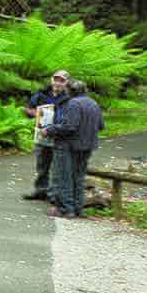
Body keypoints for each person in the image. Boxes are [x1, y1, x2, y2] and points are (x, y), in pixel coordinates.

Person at [46, 78, 104, 219]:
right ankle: (78, 209)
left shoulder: (73, 103)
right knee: (78, 177)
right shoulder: (93, 103)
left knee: (64, 177)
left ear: (70, 91)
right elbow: (101, 126)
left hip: (68, 146)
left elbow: (69, 127)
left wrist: (50, 130)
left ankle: (67, 209)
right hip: (87, 146)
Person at [23, 70, 70, 200]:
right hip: (42, 134)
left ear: (67, 83)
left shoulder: (70, 98)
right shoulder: (41, 94)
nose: (58, 83)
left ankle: (54, 194)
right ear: (51, 80)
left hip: (59, 135)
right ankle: (40, 190)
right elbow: (28, 109)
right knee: (42, 164)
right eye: (56, 79)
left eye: (62, 81)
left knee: (57, 166)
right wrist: (37, 114)